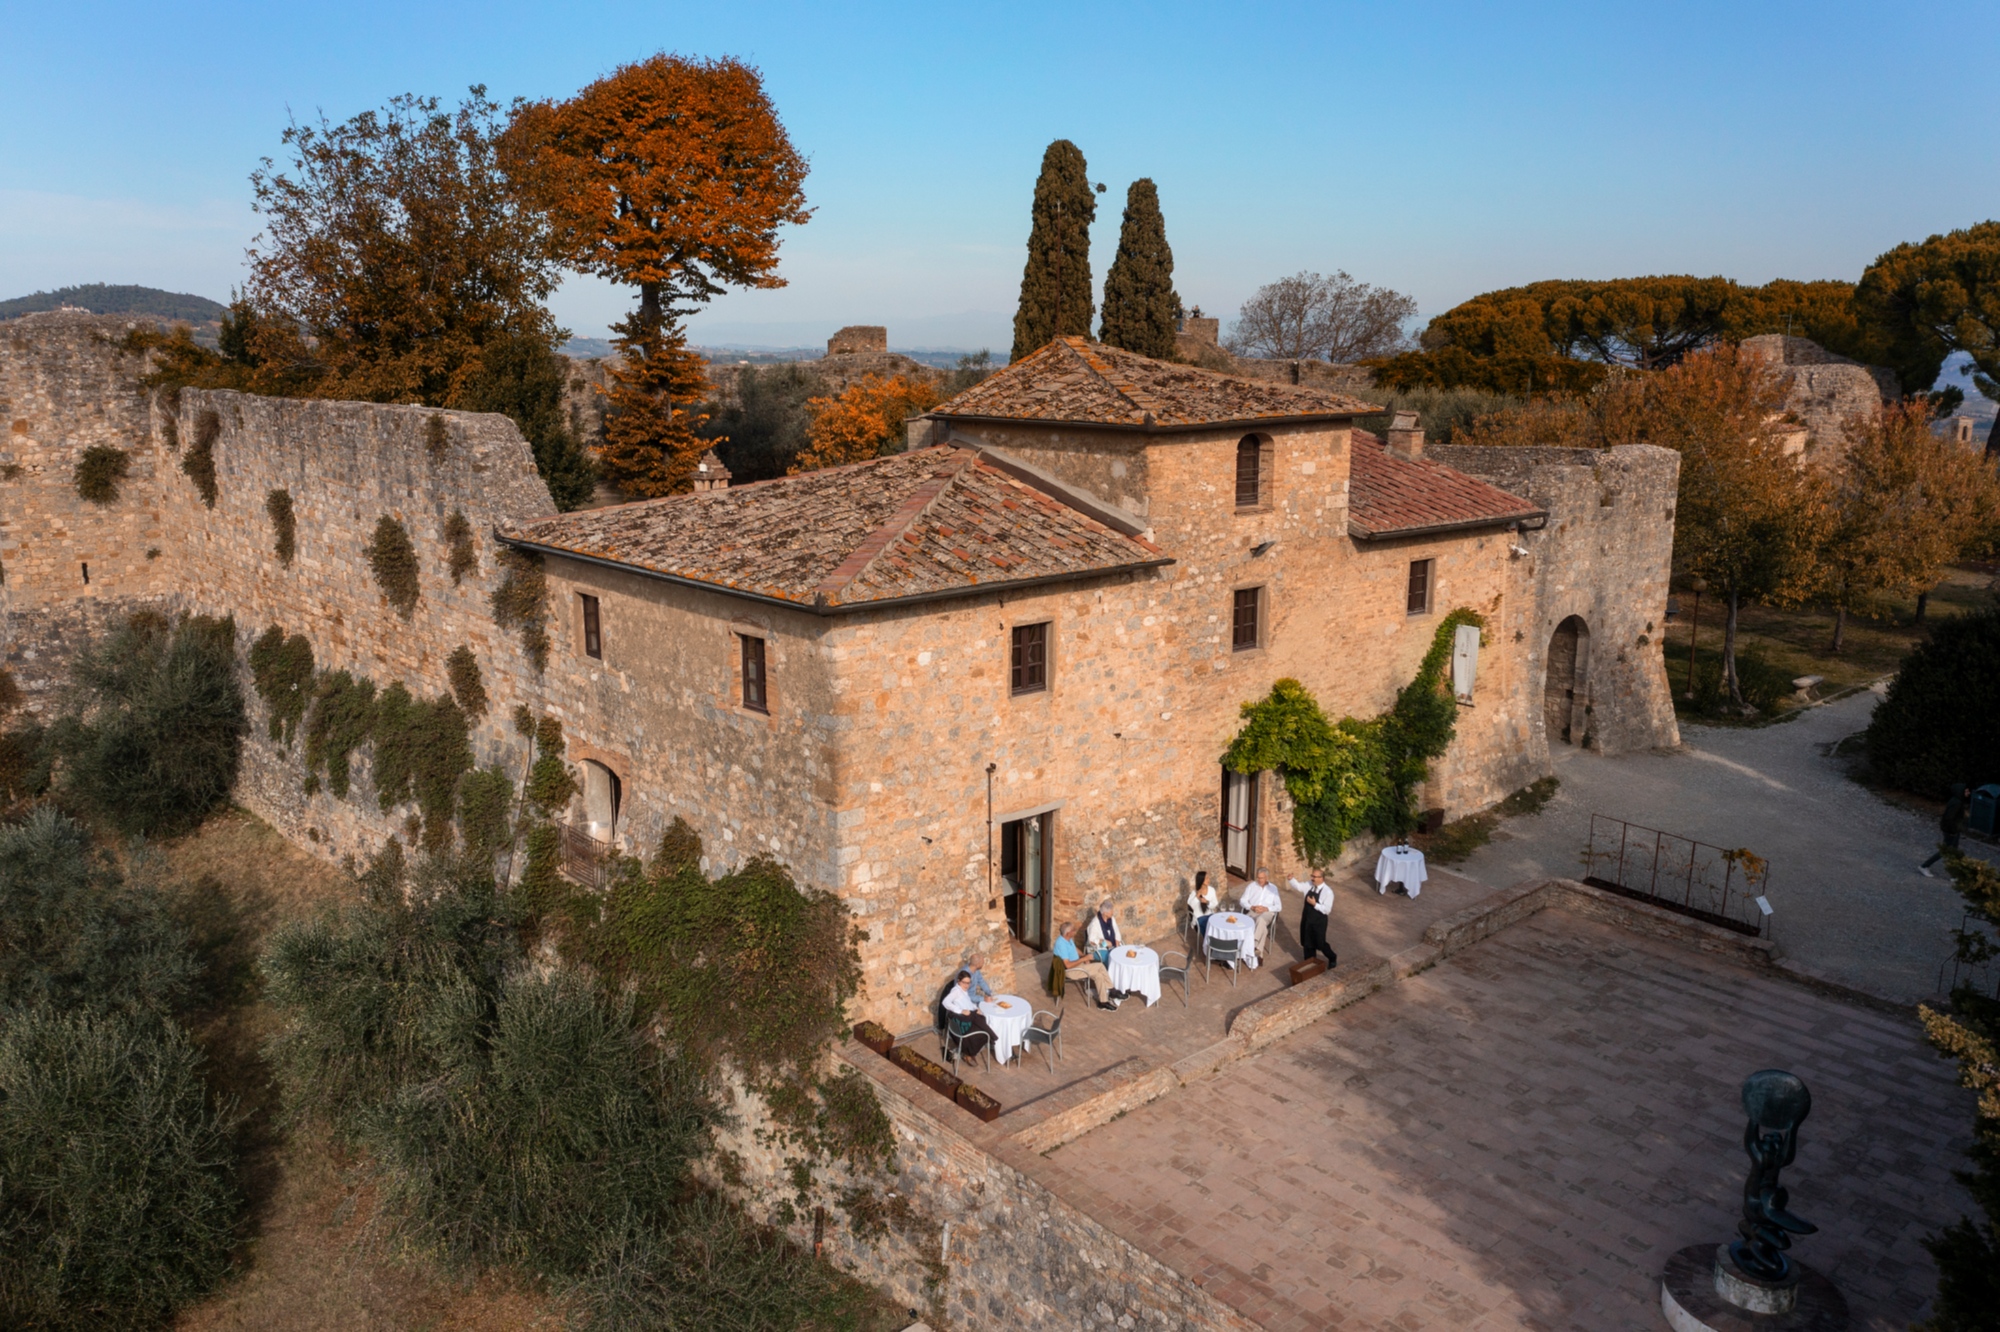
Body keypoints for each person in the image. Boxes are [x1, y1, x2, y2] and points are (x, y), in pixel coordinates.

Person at [1053, 921, 1119, 1009]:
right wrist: (1085, 959)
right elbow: (1068, 965)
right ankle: (1112, 990)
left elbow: (1074, 949)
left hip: (1078, 964)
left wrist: (1083, 956)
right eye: (1074, 930)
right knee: (1100, 966)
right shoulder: (1061, 944)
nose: (1075, 931)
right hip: (1071, 971)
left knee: (1099, 975)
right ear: (1068, 933)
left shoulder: (1067, 939)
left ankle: (1103, 1002)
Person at [1287, 867, 1337, 969]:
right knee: (1307, 942)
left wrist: (1315, 904)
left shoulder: (1328, 892)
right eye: (1312, 876)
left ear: (1321, 878)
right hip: (1307, 919)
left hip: (1319, 922)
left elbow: (1327, 910)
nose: (1312, 878)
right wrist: (1291, 879)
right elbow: (1299, 887)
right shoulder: (1309, 885)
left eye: (1314, 877)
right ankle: (1310, 964)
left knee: (1320, 943)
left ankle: (1332, 957)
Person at [939, 970, 995, 1059]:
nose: (966, 985)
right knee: (985, 1031)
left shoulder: (963, 991)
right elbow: (945, 1002)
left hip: (970, 1017)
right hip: (965, 1024)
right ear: (958, 981)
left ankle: (989, 1039)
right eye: (964, 982)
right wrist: (960, 1010)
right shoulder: (956, 991)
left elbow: (968, 1002)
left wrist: (975, 1008)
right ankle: (970, 1051)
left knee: (985, 1021)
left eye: (968, 983)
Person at [1921, 783, 1973, 876]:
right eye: (1967, 791)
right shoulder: (1957, 803)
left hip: (1954, 830)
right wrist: (1953, 830)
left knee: (1953, 851)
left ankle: (1955, 874)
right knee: (1946, 851)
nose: (1969, 793)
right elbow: (1949, 818)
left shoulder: (1957, 801)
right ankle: (1925, 866)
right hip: (1951, 831)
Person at [1239, 868, 1283, 960]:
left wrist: (1266, 908)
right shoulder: (1251, 886)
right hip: (1253, 911)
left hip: (1267, 913)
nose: (1259, 880)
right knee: (1263, 929)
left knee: (1261, 919)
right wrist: (1252, 907)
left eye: (1262, 878)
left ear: (1267, 877)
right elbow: (1242, 900)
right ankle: (1259, 952)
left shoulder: (1273, 889)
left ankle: (1252, 945)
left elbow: (1279, 906)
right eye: (1258, 878)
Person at [1186, 870, 1219, 937]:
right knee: (1207, 925)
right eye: (1206, 878)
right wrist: (1196, 897)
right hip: (1199, 917)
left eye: (1208, 878)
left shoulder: (1212, 890)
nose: (1208, 880)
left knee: (1218, 924)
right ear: (1201, 880)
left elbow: (1215, 903)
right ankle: (1208, 943)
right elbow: (1190, 905)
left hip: (1210, 914)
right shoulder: (1194, 893)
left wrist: (1207, 902)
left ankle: (1216, 942)